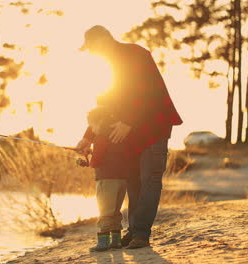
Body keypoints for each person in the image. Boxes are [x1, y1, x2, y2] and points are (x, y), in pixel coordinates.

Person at [76, 25, 183, 249]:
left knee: (149, 180)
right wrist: (88, 137)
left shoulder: (136, 54)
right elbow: (104, 109)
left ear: (103, 41)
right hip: (132, 137)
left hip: (154, 129)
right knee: (133, 183)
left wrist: (129, 121)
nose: (91, 53)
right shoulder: (107, 67)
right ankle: (133, 231)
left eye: (92, 48)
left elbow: (149, 91)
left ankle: (141, 233)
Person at [85, 106, 140, 252]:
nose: (92, 129)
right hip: (122, 179)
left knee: (104, 211)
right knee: (115, 210)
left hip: (106, 180)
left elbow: (97, 160)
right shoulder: (119, 136)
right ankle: (115, 241)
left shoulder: (101, 137)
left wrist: (87, 161)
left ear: (99, 122)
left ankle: (103, 242)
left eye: (92, 126)